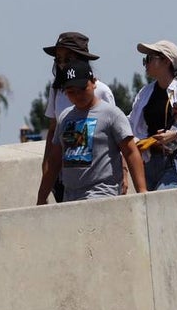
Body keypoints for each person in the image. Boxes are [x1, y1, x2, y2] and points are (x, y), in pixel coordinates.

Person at [37, 58, 146, 203]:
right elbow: (55, 160)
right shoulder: (64, 117)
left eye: (82, 89)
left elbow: (130, 151)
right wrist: (42, 197)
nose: (77, 95)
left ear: (93, 83)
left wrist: (142, 191)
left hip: (102, 194)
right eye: (71, 92)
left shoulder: (111, 114)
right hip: (70, 197)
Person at [40, 32, 116, 202]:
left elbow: (119, 135)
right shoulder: (56, 91)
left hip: (98, 176)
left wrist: (124, 174)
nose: (62, 64)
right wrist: (46, 168)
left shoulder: (101, 91)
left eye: (68, 58)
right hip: (65, 173)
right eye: (58, 59)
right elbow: (53, 132)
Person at [130, 40, 177, 190]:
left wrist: (175, 135)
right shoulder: (145, 93)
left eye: (149, 59)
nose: (145, 64)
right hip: (150, 161)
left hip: (176, 161)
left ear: (166, 61)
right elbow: (132, 124)